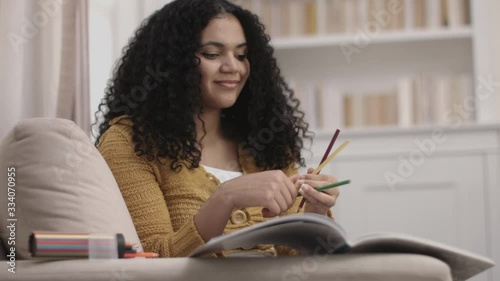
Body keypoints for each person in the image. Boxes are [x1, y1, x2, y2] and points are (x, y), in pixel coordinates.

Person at [94, 0, 340, 257]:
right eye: (212, 54)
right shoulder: (130, 142)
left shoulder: (265, 141)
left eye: (241, 55)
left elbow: (295, 262)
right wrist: (226, 197)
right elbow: (152, 260)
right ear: (171, 63)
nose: (233, 67)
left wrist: (315, 212)